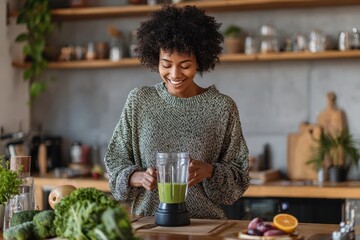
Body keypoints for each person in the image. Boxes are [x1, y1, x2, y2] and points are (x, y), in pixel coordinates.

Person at [104, 5, 250, 219]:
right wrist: (138, 177)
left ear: (200, 61)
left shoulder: (222, 107)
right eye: (166, 64)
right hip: (149, 226)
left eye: (185, 65)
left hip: (205, 227)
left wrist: (209, 171)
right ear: (156, 60)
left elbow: (239, 176)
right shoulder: (140, 101)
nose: (174, 74)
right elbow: (115, 162)